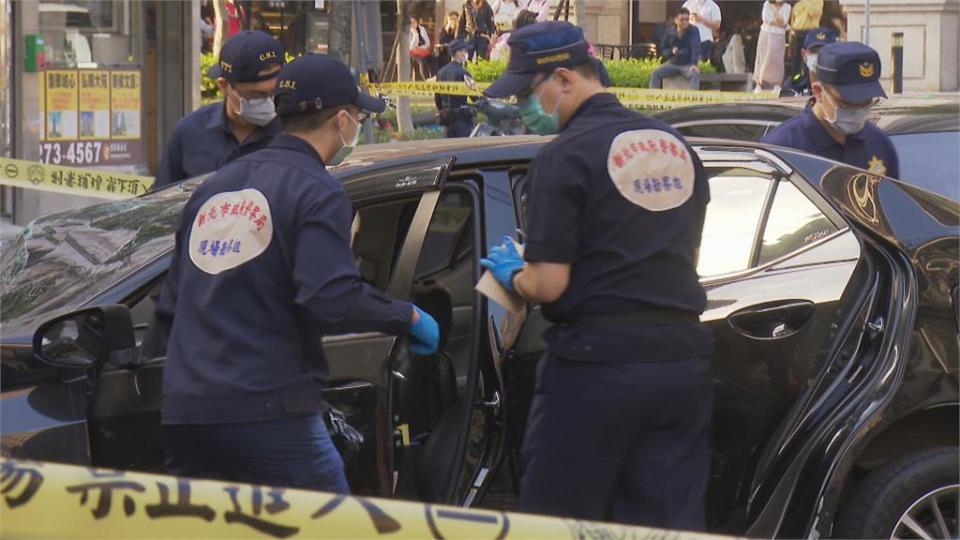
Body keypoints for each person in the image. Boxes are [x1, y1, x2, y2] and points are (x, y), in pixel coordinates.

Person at [156, 53, 441, 492]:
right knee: (327, 525)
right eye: (359, 116)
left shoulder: (216, 186)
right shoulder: (317, 190)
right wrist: (409, 318)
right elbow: (331, 298)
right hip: (267, 411)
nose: (357, 125)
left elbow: (171, 303)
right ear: (342, 119)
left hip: (187, 411)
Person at [481, 21, 714, 530]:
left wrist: (516, 274)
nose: (521, 106)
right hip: (682, 360)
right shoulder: (676, 146)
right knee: (665, 524)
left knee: (559, 522)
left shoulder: (563, 157)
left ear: (563, 79)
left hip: (598, 368)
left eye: (526, 91)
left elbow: (550, 285)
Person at [155, 30, 283, 190]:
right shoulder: (190, 132)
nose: (269, 103)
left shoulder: (293, 132)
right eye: (256, 95)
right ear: (224, 86)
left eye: (274, 93)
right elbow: (160, 198)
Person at [761, 42, 900, 178]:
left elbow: (892, 199)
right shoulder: (782, 148)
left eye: (866, 102)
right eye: (847, 103)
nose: (858, 110)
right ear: (818, 92)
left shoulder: (879, 143)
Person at [650, 8, 701, 90]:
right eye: (682, 20)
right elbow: (663, 49)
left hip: (687, 64)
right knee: (656, 73)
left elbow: (696, 47)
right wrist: (671, 52)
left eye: (687, 20)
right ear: (676, 20)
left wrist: (694, 64)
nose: (685, 22)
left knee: (695, 74)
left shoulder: (694, 30)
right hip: (673, 63)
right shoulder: (669, 32)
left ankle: (693, 99)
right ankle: (653, 98)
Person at [435, 39, 475, 138]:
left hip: (446, 120)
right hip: (462, 120)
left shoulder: (441, 73)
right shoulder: (464, 73)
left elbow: (437, 97)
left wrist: (442, 110)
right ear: (457, 52)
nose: (466, 53)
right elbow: (474, 96)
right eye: (464, 51)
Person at [781, 27, 836, 96]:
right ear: (804, 54)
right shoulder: (793, 86)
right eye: (814, 51)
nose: (818, 56)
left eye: (824, 51)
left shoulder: (841, 88)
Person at [753, 0, 791, 93]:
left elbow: (783, 21)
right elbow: (766, 19)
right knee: (762, 57)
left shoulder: (787, 7)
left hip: (779, 35)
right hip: (766, 33)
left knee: (777, 59)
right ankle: (759, 84)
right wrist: (778, 21)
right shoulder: (767, 4)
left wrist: (774, 12)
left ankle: (777, 85)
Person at [788, 0, 824, 80]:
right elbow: (793, 21)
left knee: (809, 58)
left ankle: (809, 82)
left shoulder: (818, 2)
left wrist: (806, 2)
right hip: (797, 33)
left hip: (811, 33)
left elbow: (814, 13)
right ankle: (795, 82)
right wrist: (791, 37)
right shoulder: (798, 4)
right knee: (796, 60)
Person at [409, 16, 433, 81]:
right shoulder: (407, 32)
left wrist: (421, 48)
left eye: (414, 22)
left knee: (434, 59)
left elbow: (427, 43)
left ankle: (433, 79)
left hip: (422, 51)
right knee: (422, 60)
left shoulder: (421, 29)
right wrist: (415, 34)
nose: (413, 24)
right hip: (411, 54)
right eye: (411, 23)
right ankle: (426, 79)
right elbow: (411, 47)